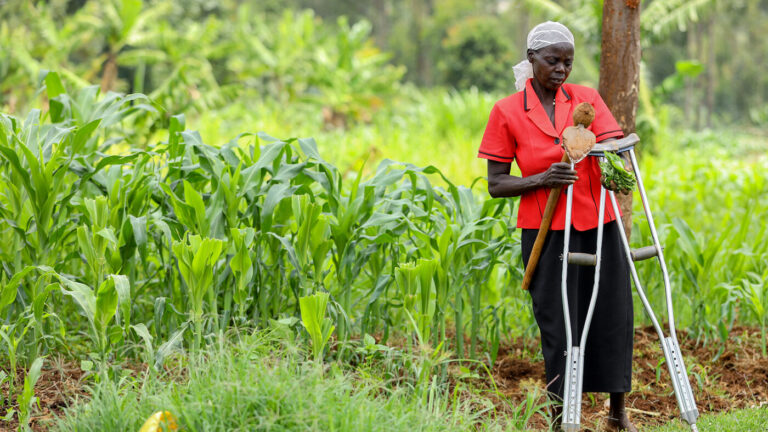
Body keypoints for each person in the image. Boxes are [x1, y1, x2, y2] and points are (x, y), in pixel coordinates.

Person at [477, 22, 637, 432]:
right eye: (553, 60)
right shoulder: (507, 111)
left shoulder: (586, 99)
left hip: (599, 220)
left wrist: (609, 156)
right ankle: (561, 417)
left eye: (568, 61)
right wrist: (541, 179)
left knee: (611, 312)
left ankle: (617, 414)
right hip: (546, 231)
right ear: (531, 60)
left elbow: (612, 145)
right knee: (557, 321)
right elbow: (497, 184)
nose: (562, 68)